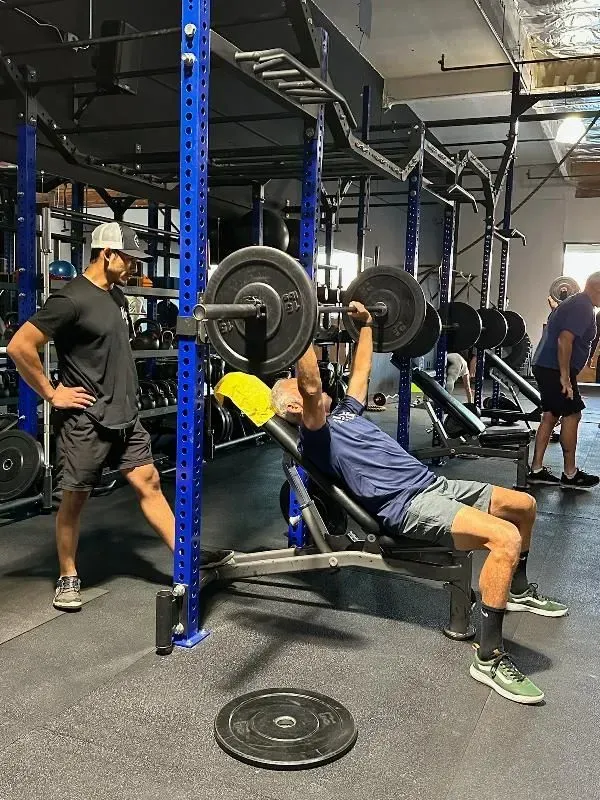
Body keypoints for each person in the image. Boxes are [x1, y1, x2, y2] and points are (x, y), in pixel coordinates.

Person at [270, 301, 567, 705]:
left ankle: (516, 589)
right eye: (295, 388)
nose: (304, 386)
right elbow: (309, 386)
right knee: (505, 539)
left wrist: (369, 325)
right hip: (406, 507)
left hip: (434, 485)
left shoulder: (345, 415)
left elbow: (361, 373)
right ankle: (490, 658)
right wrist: (299, 327)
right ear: (292, 407)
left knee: (523, 505)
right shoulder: (315, 436)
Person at [7, 222, 232, 611]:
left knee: (150, 485)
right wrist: (51, 392)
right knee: (74, 501)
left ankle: (186, 558)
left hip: (125, 416)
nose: (133, 266)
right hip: (86, 421)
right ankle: (67, 575)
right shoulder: (70, 299)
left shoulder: (115, 296)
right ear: (106, 254)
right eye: (127, 258)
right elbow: (20, 346)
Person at [529, 272, 600, 488]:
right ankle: (570, 474)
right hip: (554, 368)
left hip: (547, 364)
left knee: (550, 415)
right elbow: (564, 340)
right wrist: (565, 377)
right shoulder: (583, 305)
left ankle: (536, 469)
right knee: (572, 414)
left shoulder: (575, 301)